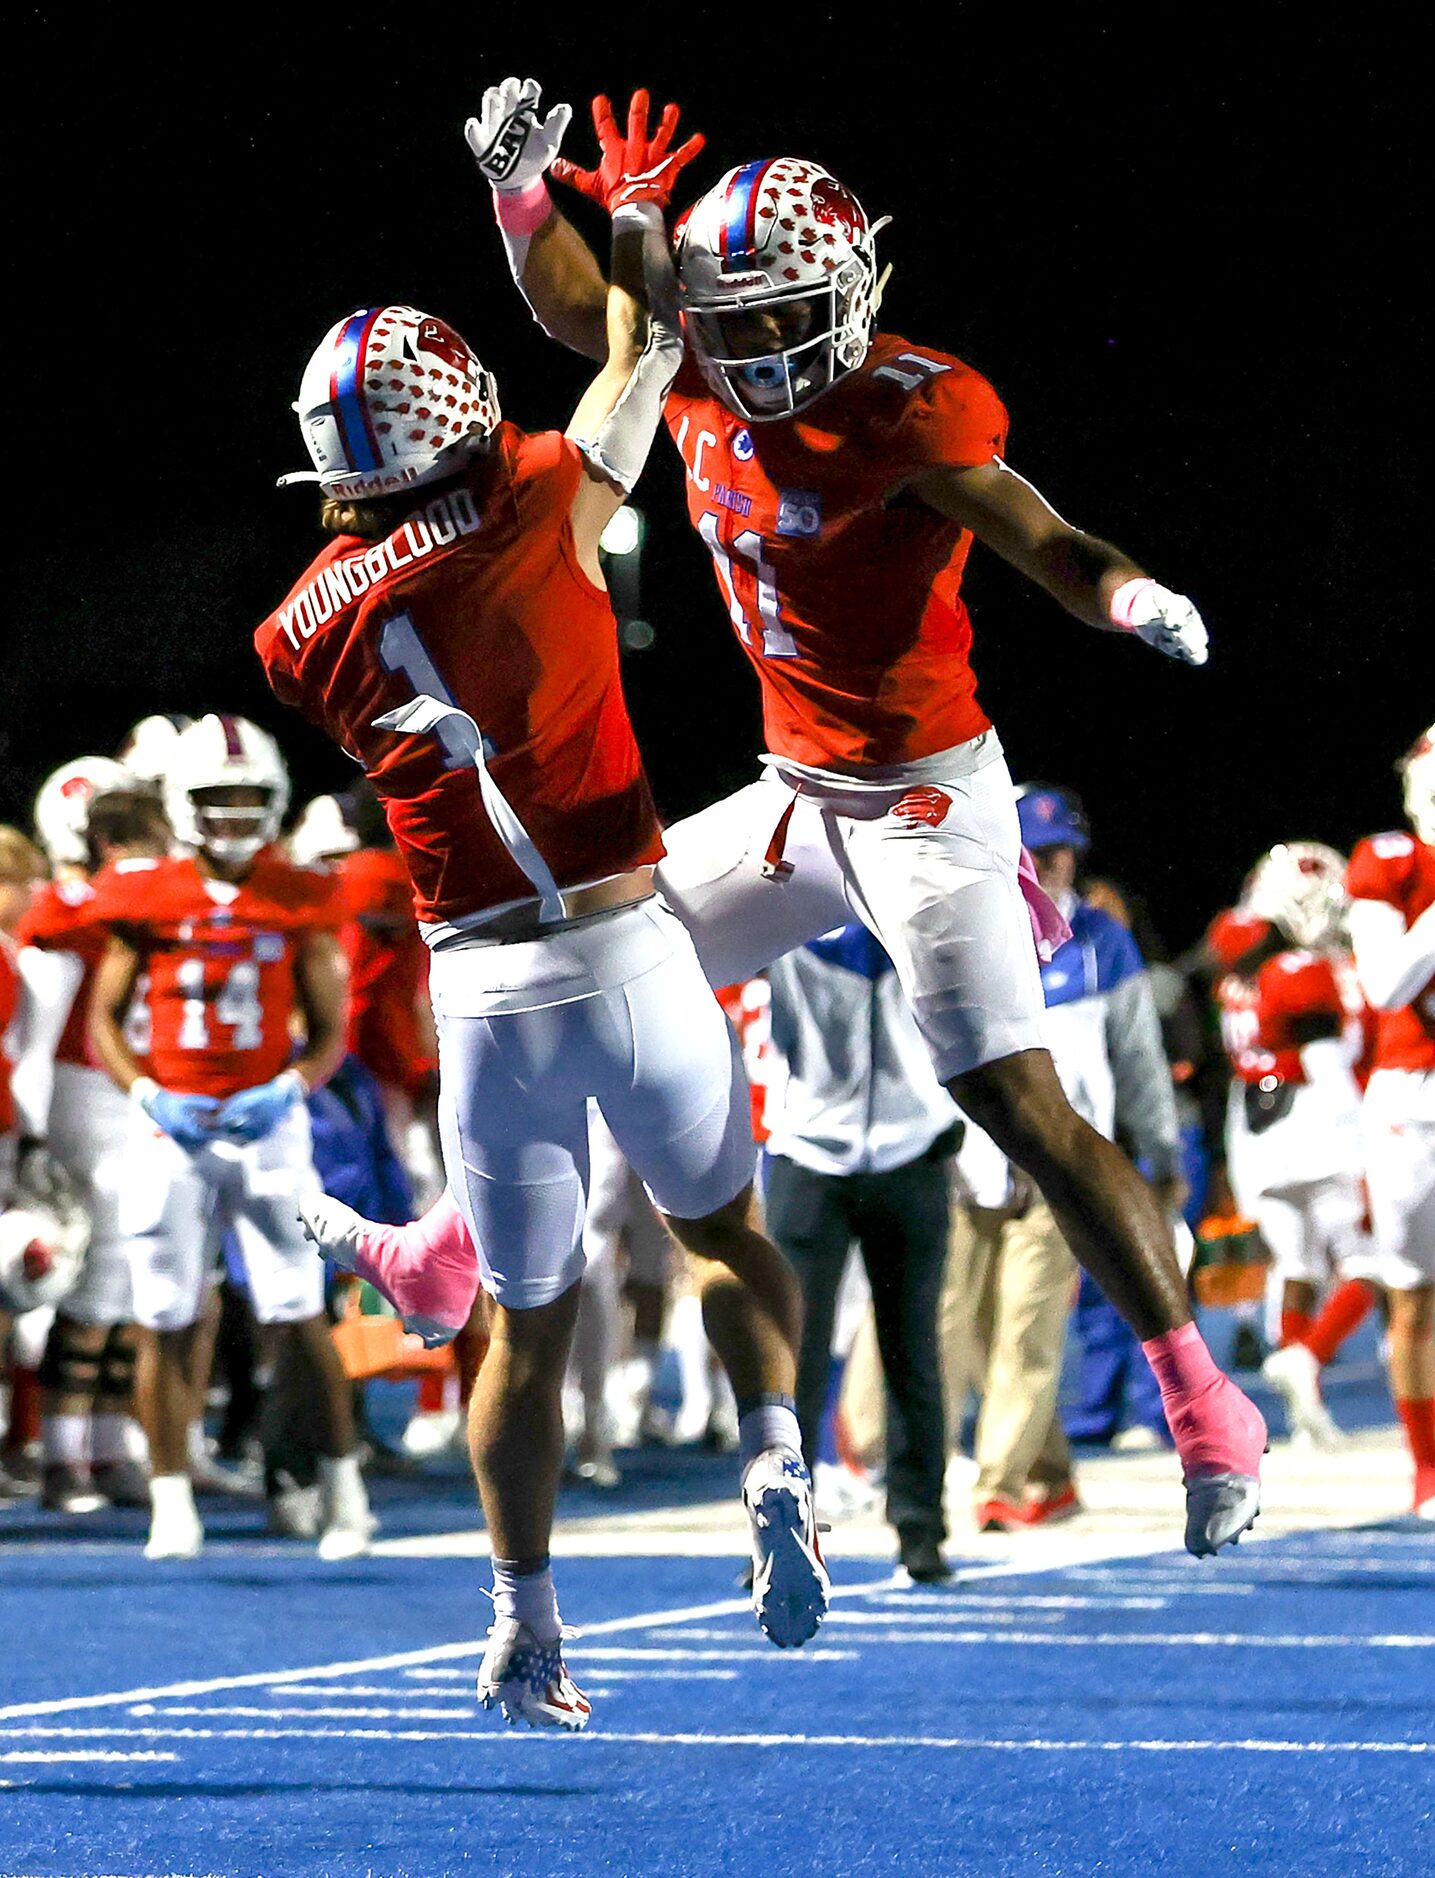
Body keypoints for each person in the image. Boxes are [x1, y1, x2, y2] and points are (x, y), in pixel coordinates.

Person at [465, 82, 1266, 1555]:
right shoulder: (690, 351)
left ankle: (1203, 1400)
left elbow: (1050, 539)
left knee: (1010, 1101)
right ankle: (460, 1242)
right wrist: (524, 197)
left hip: (919, 798)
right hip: (792, 791)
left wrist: (1129, 597)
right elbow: (582, 309)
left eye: (785, 318)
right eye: (739, 318)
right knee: (572, 954)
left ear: (848, 296)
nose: (760, 346)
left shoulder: (908, 407)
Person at [255, 88, 826, 1735]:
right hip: (632, 936)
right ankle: (775, 1460)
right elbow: (641, 353)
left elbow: (390, 566)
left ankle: (524, 1619)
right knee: (723, 1238)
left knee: (526, 1323)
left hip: (483, 993)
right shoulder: (524, 502)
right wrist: (546, 203)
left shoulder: (298, 631)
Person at [85, 713, 371, 1561]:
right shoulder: (145, 895)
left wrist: (289, 1086)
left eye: (248, 800)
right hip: (171, 1127)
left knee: (298, 1308)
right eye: (215, 800)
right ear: (181, 804)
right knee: (164, 1312)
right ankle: (171, 1498)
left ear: (276, 799)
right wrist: (145, 1092)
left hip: (267, 1126)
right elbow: (104, 1018)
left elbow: (330, 1027)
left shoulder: (302, 893)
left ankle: (344, 1483)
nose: (233, 818)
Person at [945, 785, 1181, 1528]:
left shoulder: (1100, 942)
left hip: (1062, 1163)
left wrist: (1161, 1151)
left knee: (1027, 1326)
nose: (1053, 866)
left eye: (1062, 852)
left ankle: (1000, 1486)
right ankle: (1051, 1474)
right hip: (971, 1163)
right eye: (1037, 852)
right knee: (975, 1332)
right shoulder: (964, 935)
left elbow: (1138, 1058)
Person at [762, 921, 962, 1581]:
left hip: (914, 1147)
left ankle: (919, 1527)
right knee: (792, 1358)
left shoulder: (921, 897)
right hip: (808, 1150)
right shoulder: (784, 897)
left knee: (912, 1351)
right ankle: (778, 1532)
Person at [19, 762, 170, 1512]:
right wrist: (32, 1133)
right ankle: (61, 1455)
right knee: (94, 1273)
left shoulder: (150, 902)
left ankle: (109, 1447)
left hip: (143, 1098)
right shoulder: (70, 907)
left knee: (132, 1278)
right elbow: (35, 1032)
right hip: (86, 1094)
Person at [1205, 845, 1379, 1447]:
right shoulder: (1302, 972)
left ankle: (1305, 1412)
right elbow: (1327, 1058)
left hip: (1257, 1128)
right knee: (1372, 1261)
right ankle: (1308, 1360)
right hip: (1319, 1121)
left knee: (1297, 1265)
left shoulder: (1238, 970)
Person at [1346, 725, 1435, 1515]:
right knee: (1415, 1291)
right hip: (1415, 1091)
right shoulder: (1391, 863)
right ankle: (1426, 1469)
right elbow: (1385, 986)